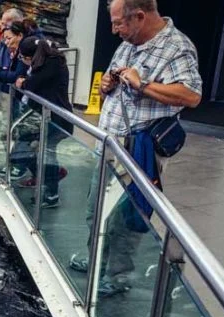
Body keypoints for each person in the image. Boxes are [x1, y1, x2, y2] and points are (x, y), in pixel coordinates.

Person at [68, 0, 202, 297]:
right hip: (110, 143)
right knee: (96, 208)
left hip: (138, 148)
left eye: (119, 23)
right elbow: (113, 81)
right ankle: (96, 257)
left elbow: (191, 95)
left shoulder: (176, 47)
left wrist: (142, 85)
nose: (114, 30)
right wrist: (106, 84)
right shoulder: (129, 43)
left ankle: (117, 275)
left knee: (127, 216)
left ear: (140, 16)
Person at [9, 37, 72, 208]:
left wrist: (24, 82)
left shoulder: (52, 63)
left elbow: (33, 84)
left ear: (30, 56)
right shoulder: (49, 62)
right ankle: (49, 180)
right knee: (31, 151)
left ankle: (51, 192)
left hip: (54, 120)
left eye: (23, 57)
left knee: (44, 154)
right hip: (42, 118)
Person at [0, 21, 28, 90]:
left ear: (20, 36)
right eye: (5, 39)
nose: (6, 42)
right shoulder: (5, 47)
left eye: (9, 38)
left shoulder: (26, 50)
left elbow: (18, 75)